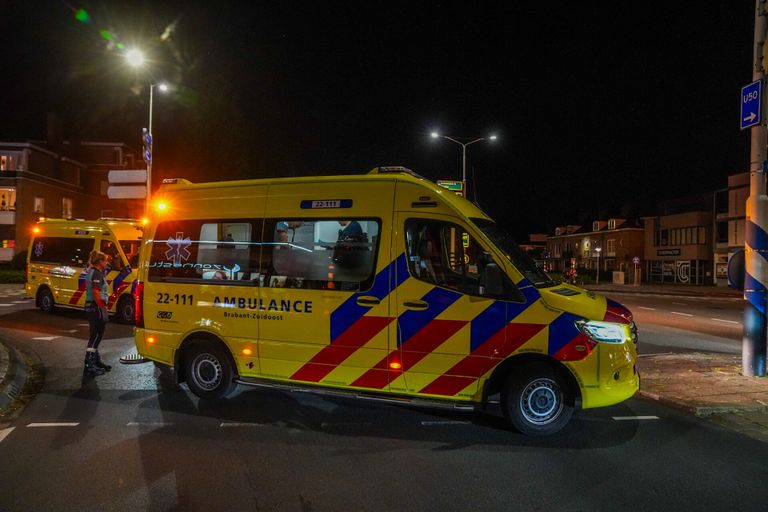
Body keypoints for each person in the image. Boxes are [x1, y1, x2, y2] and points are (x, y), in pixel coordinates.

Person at [83, 250, 111, 375]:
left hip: (92, 306)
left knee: (95, 335)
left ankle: (95, 361)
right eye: (105, 260)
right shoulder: (97, 274)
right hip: (96, 307)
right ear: (99, 262)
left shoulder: (91, 271)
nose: (107, 262)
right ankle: (90, 363)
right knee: (96, 336)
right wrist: (102, 306)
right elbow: (95, 292)